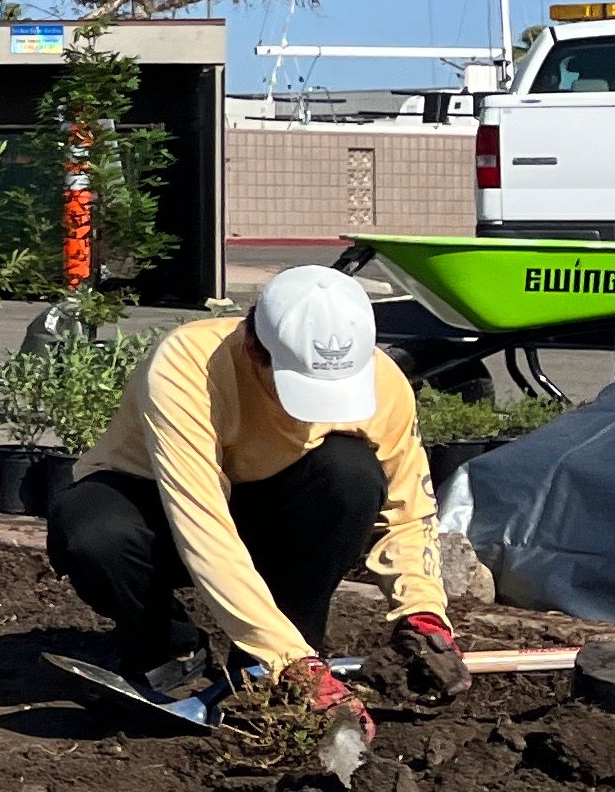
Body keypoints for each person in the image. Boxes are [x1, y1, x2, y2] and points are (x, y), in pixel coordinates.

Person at [45, 266, 466, 741]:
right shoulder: (189, 366)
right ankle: (171, 646)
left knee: (350, 475)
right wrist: (290, 661)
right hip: (156, 506)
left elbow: (409, 515)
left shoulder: (384, 384)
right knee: (92, 534)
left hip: (271, 509)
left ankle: (270, 663)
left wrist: (424, 613)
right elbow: (202, 527)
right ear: (252, 349)